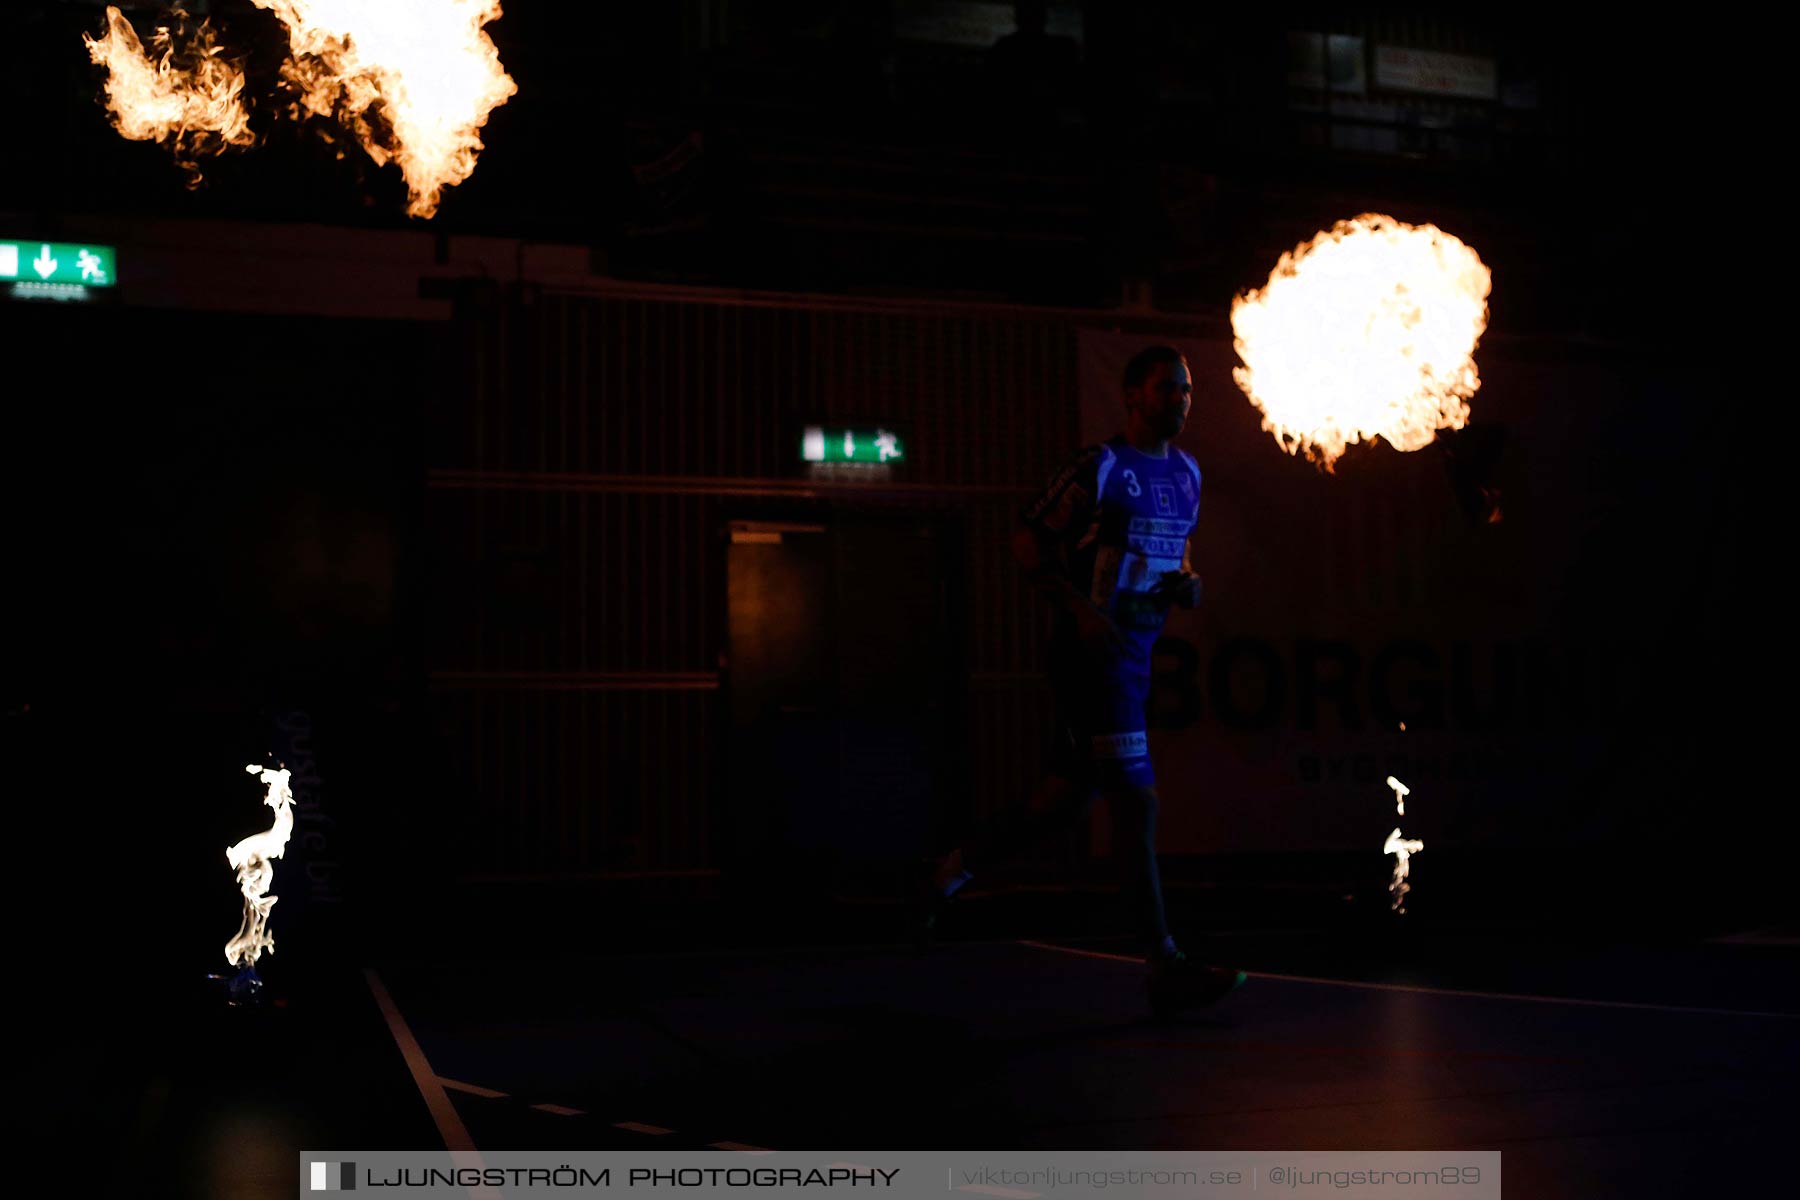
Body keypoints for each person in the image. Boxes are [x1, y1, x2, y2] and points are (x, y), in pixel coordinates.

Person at [921, 345, 1245, 1016]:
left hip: (1135, 657)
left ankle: (948, 872)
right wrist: (1080, 610)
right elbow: (1025, 541)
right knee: (1138, 805)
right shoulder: (1101, 468)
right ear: (1133, 397)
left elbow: (1179, 557)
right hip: (1091, 660)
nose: (1181, 400)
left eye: (1187, 390)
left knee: (1059, 806)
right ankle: (1164, 963)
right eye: (1167, 390)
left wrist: (1188, 585)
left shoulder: (1187, 474)